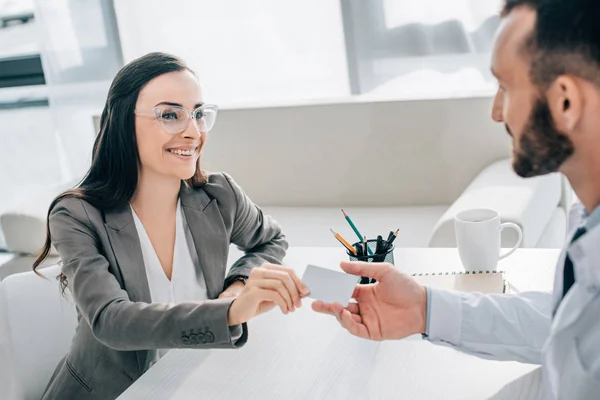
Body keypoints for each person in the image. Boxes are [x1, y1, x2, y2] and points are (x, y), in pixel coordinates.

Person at [313, 1, 600, 398]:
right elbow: (561, 324)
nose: (497, 112)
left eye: (505, 87)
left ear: (565, 100)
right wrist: (424, 309)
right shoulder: (588, 218)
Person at [33, 52, 309, 399]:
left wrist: (239, 284)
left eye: (197, 114)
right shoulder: (76, 214)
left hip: (196, 383)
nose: (193, 132)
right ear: (123, 123)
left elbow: (271, 240)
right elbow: (110, 321)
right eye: (170, 115)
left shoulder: (220, 194)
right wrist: (229, 312)